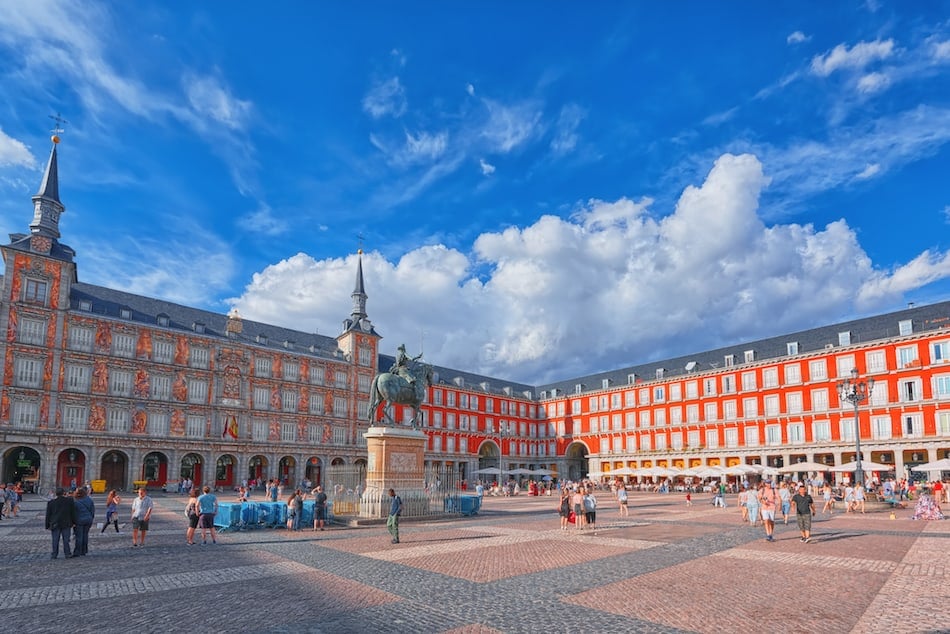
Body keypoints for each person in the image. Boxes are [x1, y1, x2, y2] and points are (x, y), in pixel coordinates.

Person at [45, 487, 77, 559]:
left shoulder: (51, 503)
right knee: (66, 540)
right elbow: (73, 512)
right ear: (64, 493)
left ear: (56, 494)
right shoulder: (69, 501)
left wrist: (47, 525)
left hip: (55, 523)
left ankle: (54, 554)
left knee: (55, 540)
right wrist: (74, 522)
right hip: (66, 523)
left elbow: (48, 515)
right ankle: (67, 553)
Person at [72, 487, 95, 556]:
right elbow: (92, 511)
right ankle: (84, 550)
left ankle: (77, 551)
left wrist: (73, 521)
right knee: (85, 535)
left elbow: (73, 512)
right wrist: (91, 518)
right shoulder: (89, 500)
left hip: (79, 520)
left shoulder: (75, 501)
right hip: (88, 519)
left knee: (79, 536)